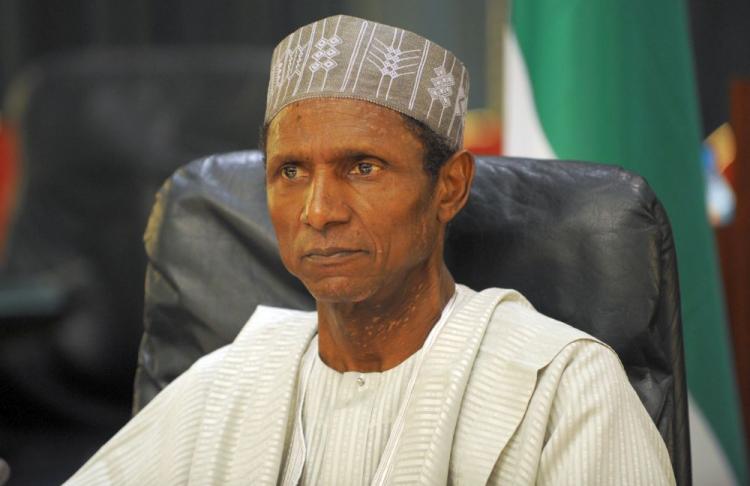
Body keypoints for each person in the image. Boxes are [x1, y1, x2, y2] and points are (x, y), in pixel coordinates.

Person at [66, 15, 676, 485]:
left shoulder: (563, 389)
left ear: (450, 186)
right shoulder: (223, 383)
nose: (319, 211)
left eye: (363, 167)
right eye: (291, 172)